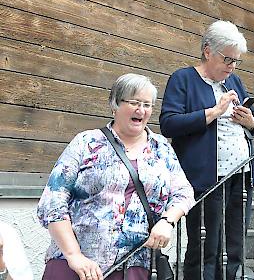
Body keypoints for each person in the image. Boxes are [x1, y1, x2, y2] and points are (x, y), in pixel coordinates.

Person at [37, 74, 194, 280]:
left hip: (136, 265)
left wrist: (167, 221)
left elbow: (184, 192)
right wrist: (73, 255)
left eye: (147, 104)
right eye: (134, 102)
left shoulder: (161, 147)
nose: (141, 110)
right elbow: (52, 202)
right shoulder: (87, 142)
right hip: (77, 266)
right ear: (115, 104)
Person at [160, 20, 254, 280]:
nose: (232, 66)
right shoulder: (184, 78)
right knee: (205, 245)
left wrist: (251, 122)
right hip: (207, 177)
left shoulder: (234, 81)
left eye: (236, 61)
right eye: (228, 59)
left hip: (241, 174)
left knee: (235, 244)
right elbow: (169, 123)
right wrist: (213, 112)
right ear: (208, 51)